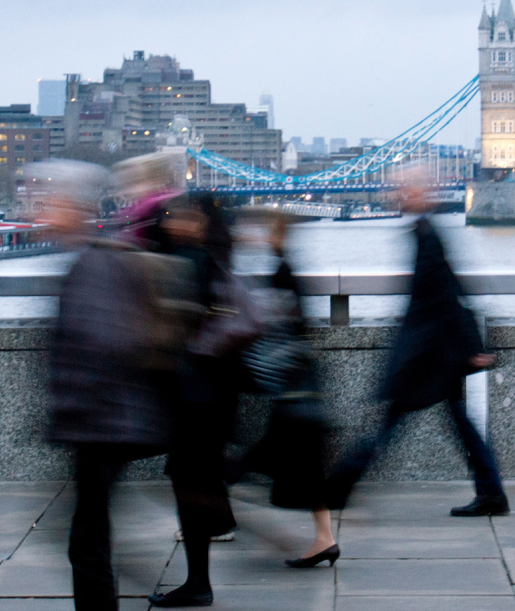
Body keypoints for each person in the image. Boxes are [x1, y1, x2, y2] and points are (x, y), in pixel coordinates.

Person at [39, 160, 197, 611]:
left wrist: (71, 405)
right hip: (104, 419)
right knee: (88, 536)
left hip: (102, 421)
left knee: (85, 541)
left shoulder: (92, 264)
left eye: (51, 203)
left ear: (74, 208)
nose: (43, 212)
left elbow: (108, 341)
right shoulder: (95, 257)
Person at [324, 173, 508, 517]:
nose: (399, 194)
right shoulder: (426, 232)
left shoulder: (428, 236)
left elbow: (445, 297)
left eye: (406, 188)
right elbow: (451, 291)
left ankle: (338, 487)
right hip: (435, 353)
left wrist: (472, 345)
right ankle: (492, 493)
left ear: (424, 193)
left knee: (388, 424)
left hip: (427, 356)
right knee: (457, 425)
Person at [149, 195, 259, 608]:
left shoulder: (191, 262)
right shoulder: (215, 258)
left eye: (178, 216)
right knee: (193, 479)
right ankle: (200, 576)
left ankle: (199, 582)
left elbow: (174, 327)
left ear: (196, 222)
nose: (171, 222)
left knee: (189, 481)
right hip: (212, 395)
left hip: (196, 396)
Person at [231, 210, 338, 568]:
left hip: (290, 392)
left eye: (264, 231)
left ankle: (211, 519)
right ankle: (324, 538)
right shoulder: (287, 267)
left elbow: (273, 328)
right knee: (306, 468)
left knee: (246, 464)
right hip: (301, 389)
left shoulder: (280, 271)